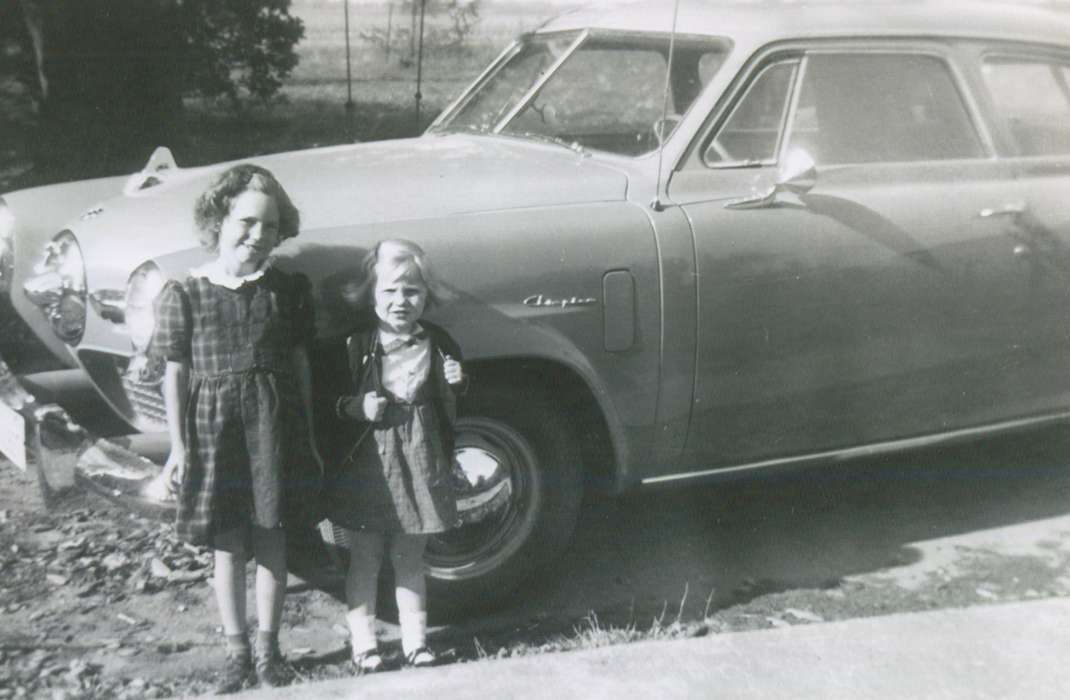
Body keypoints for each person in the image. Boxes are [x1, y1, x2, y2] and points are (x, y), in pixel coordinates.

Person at [149, 163, 323, 693]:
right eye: (246, 222)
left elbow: (299, 368)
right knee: (228, 545)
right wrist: (178, 449)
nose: (258, 236)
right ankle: (236, 651)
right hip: (214, 434)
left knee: (273, 538)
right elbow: (174, 376)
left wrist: (310, 439)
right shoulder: (187, 293)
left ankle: (270, 651)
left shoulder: (285, 290)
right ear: (218, 220)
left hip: (273, 429)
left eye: (270, 227)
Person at [327, 239, 465, 673]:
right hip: (371, 458)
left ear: (427, 296)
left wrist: (458, 381)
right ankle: (364, 644)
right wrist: (357, 407)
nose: (400, 301)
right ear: (371, 294)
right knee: (365, 556)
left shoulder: (439, 342)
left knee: (410, 556)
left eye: (412, 291)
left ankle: (415, 643)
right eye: (389, 291)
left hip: (420, 458)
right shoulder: (356, 344)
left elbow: (450, 403)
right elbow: (326, 405)